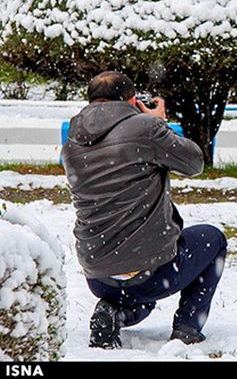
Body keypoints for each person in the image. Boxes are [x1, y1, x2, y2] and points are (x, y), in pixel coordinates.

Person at [61, 71, 228, 348]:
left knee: (139, 296)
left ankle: (113, 313)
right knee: (212, 239)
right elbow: (194, 162)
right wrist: (159, 123)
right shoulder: (145, 130)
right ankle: (187, 327)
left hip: (99, 274)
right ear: (132, 100)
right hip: (153, 271)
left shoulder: (72, 145)